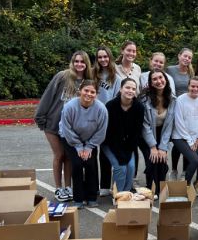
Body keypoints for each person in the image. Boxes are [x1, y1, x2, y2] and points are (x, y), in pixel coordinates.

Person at [35, 50, 92, 202]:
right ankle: (59, 188)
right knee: (59, 155)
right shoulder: (63, 76)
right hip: (53, 124)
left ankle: (68, 187)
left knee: (68, 157)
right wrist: (40, 117)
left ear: (87, 64)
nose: (79, 64)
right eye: (76, 61)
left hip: (71, 128)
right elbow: (48, 95)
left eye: (82, 62)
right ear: (72, 63)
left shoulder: (87, 81)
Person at [58, 80, 108, 208]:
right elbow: (66, 129)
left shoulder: (101, 109)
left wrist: (90, 146)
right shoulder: (69, 106)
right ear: (80, 90)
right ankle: (78, 199)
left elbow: (101, 131)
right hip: (71, 139)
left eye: (92, 92)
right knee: (77, 164)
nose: (89, 94)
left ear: (96, 94)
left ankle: (91, 197)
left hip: (91, 139)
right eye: (86, 90)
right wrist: (79, 146)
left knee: (91, 164)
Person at [103, 78, 145, 193]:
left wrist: (127, 151)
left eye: (133, 89)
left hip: (128, 145)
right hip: (110, 143)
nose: (130, 91)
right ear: (121, 89)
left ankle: (126, 193)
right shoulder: (110, 106)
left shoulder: (139, 107)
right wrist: (120, 155)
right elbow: (109, 133)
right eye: (127, 87)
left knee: (131, 168)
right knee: (121, 167)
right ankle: (118, 195)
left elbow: (136, 133)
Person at [140, 69, 176, 195]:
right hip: (146, 134)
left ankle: (160, 187)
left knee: (162, 159)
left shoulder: (172, 99)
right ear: (150, 83)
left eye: (160, 78)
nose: (158, 81)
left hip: (162, 132)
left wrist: (163, 147)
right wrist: (153, 146)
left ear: (165, 79)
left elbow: (169, 126)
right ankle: (150, 188)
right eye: (154, 79)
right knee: (152, 159)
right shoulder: (144, 99)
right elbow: (144, 125)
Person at [172, 76, 198, 196]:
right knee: (194, 160)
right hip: (180, 137)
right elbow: (179, 123)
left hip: (196, 137)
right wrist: (190, 141)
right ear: (188, 86)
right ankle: (186, 185)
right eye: (193, 86)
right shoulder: (180, 100)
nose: (195, 89)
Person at [93, 46, 122, 197]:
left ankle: (116, 184)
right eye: (100, 57)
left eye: (105, 57)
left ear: (110, 58)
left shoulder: (116, 77)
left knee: (113, 150)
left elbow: (118, 98)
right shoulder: (93, 74)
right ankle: (104, 185)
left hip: (111, 117)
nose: (103, 60)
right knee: (102, 151)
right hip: (96, 116)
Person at [166, 48, 194, 180]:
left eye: (189, 57)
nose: (187, 59)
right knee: (178, 140)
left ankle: (184, 172)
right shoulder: (170, 70)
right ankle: (174, 170)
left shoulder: (192, 72)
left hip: (188, 111)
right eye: (185, 56)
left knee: (187, 140)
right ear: (179, 56)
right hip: (175, 109)